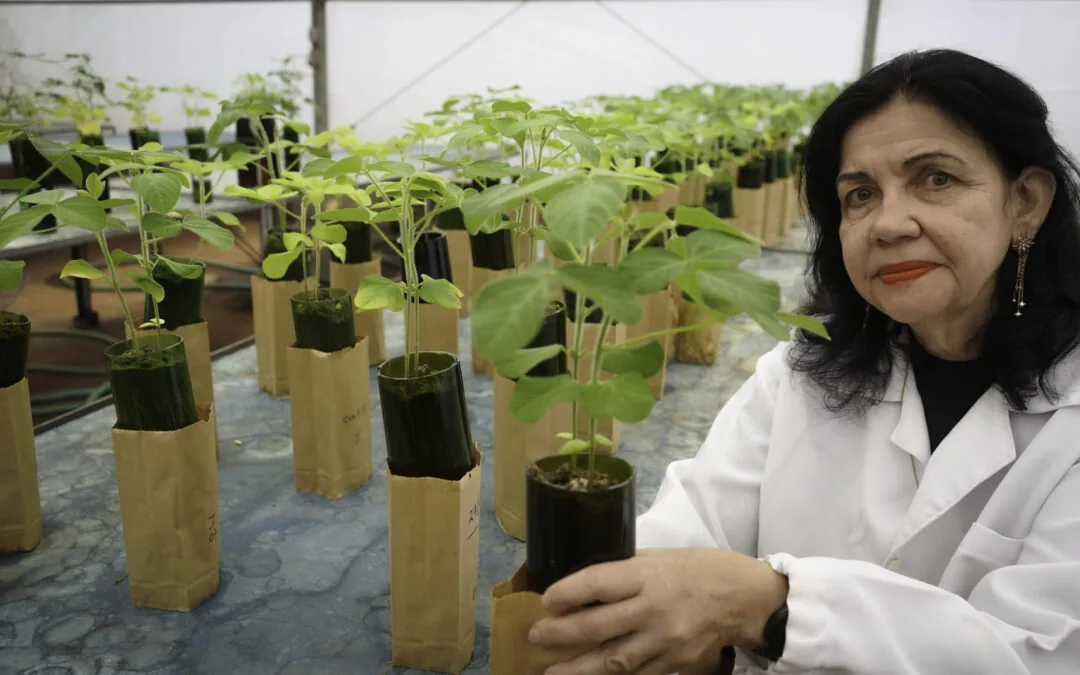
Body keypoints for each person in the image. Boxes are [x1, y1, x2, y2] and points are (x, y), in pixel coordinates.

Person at [527, 49, 1080, 674]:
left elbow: (1038, 657)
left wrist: (773, 608)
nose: (889, 223)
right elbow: (692, 524)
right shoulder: (801, 370)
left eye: (936, 179)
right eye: (860, 195)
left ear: (1026, 200)